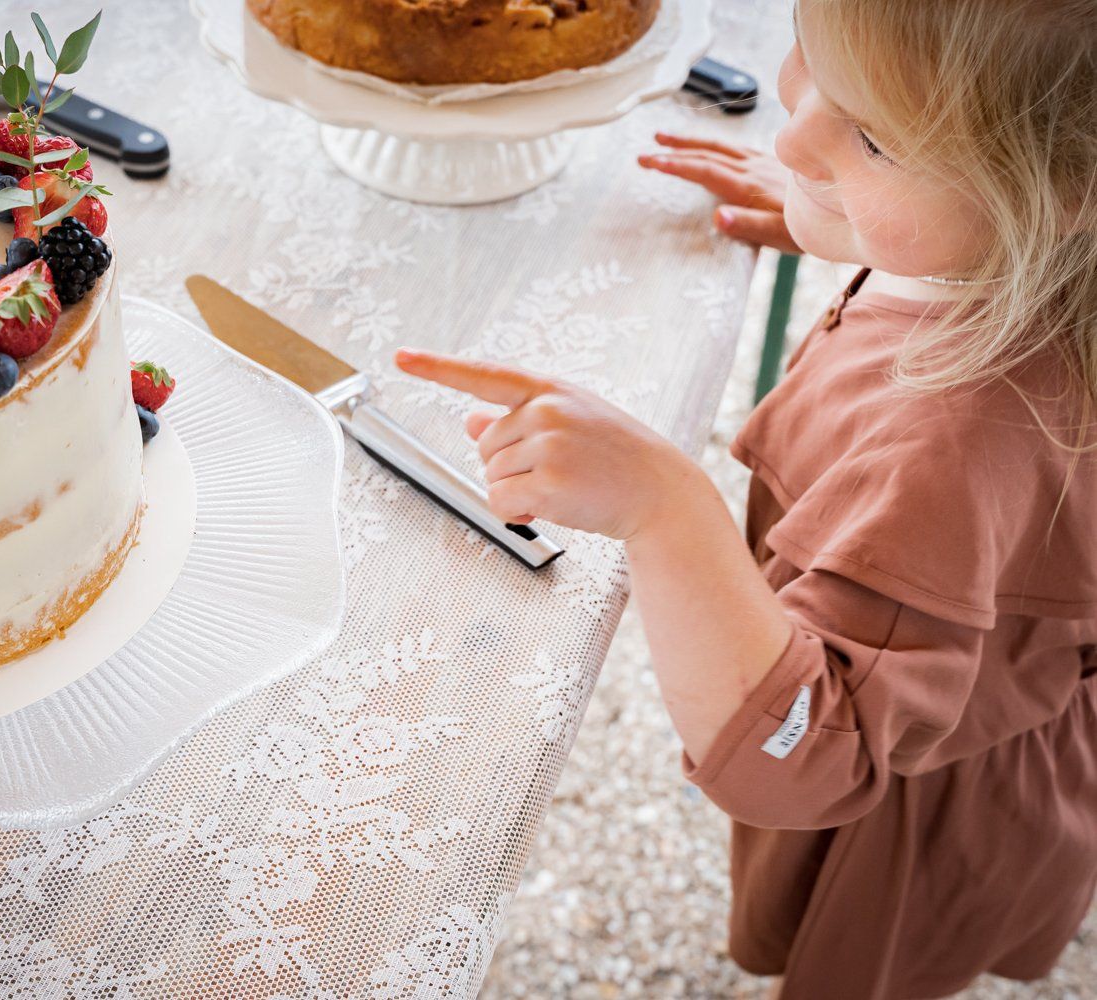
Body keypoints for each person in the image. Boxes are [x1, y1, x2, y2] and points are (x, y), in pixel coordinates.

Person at [396, 1, 1097, 997]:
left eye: (874, 137)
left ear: (1061, 190)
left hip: (924, 809)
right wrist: (854, 211)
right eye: (813, 60)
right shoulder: (1022, 258)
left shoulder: (955, 445)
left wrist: (665, 508)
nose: (793, 135)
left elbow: (803, 757)